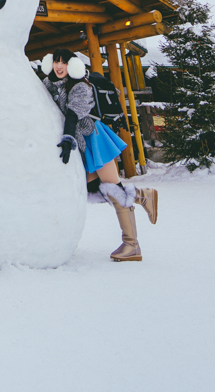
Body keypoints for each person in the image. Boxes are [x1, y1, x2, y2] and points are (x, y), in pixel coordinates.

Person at [41, 49, 158, 262]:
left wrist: (68, 137)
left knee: (113, 188)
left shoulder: (81, 86)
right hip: (77, 144)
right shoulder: (49, 84)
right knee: (92, 188)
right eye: (56, 61)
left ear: (72, 65)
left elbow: (72, 114)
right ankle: (143, 196)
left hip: (92, 138)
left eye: (64, 62)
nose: (59, 66)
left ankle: (131, 245)